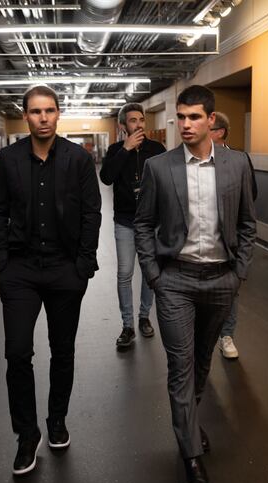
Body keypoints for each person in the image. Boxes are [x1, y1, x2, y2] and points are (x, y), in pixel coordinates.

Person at [134, 85, 256, 483]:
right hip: (176, 282)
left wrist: (238, 273)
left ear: (211, 120)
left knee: (202, 362)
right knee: (180, 367)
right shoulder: (158, 167)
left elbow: (247, 223)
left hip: (222, 280)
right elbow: (143, 224)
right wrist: (154, 276)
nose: (184, 125)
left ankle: (188, 423)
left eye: (193, 118)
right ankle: (191, 459)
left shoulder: (238, 165)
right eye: (180, 118)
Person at [0, 85, 102, 476]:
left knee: (63, 350)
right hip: (20, 269)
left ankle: (56, 420)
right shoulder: (9, 159)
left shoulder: (77, 159)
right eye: (35, 112)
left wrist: (83, 265)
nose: (43, 118)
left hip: (64, 269)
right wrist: (1, 262)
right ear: (26, 116)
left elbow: (92, 213)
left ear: (58, 114)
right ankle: (26, 435)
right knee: (17, 353)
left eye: (49, 110)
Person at [100, 103, 166, 348]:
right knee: (125, 273)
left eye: (141, 120)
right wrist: (125, 150)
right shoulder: (116, 149)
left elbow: (166, 182)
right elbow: (106, 178)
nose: (138, 124)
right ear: (123, 125)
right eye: (133, 121)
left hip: (151, 223)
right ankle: (127, 325)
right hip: (125, 222)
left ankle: (144, 317)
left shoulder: (156, 149)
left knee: (150, 272)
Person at [210, 112, 258, 359]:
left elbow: (251, 196)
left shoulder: (240, 159)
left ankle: (226, 336)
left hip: (231, 237)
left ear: (219, 132)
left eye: (209, 127)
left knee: (231, 290)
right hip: (203, 237)